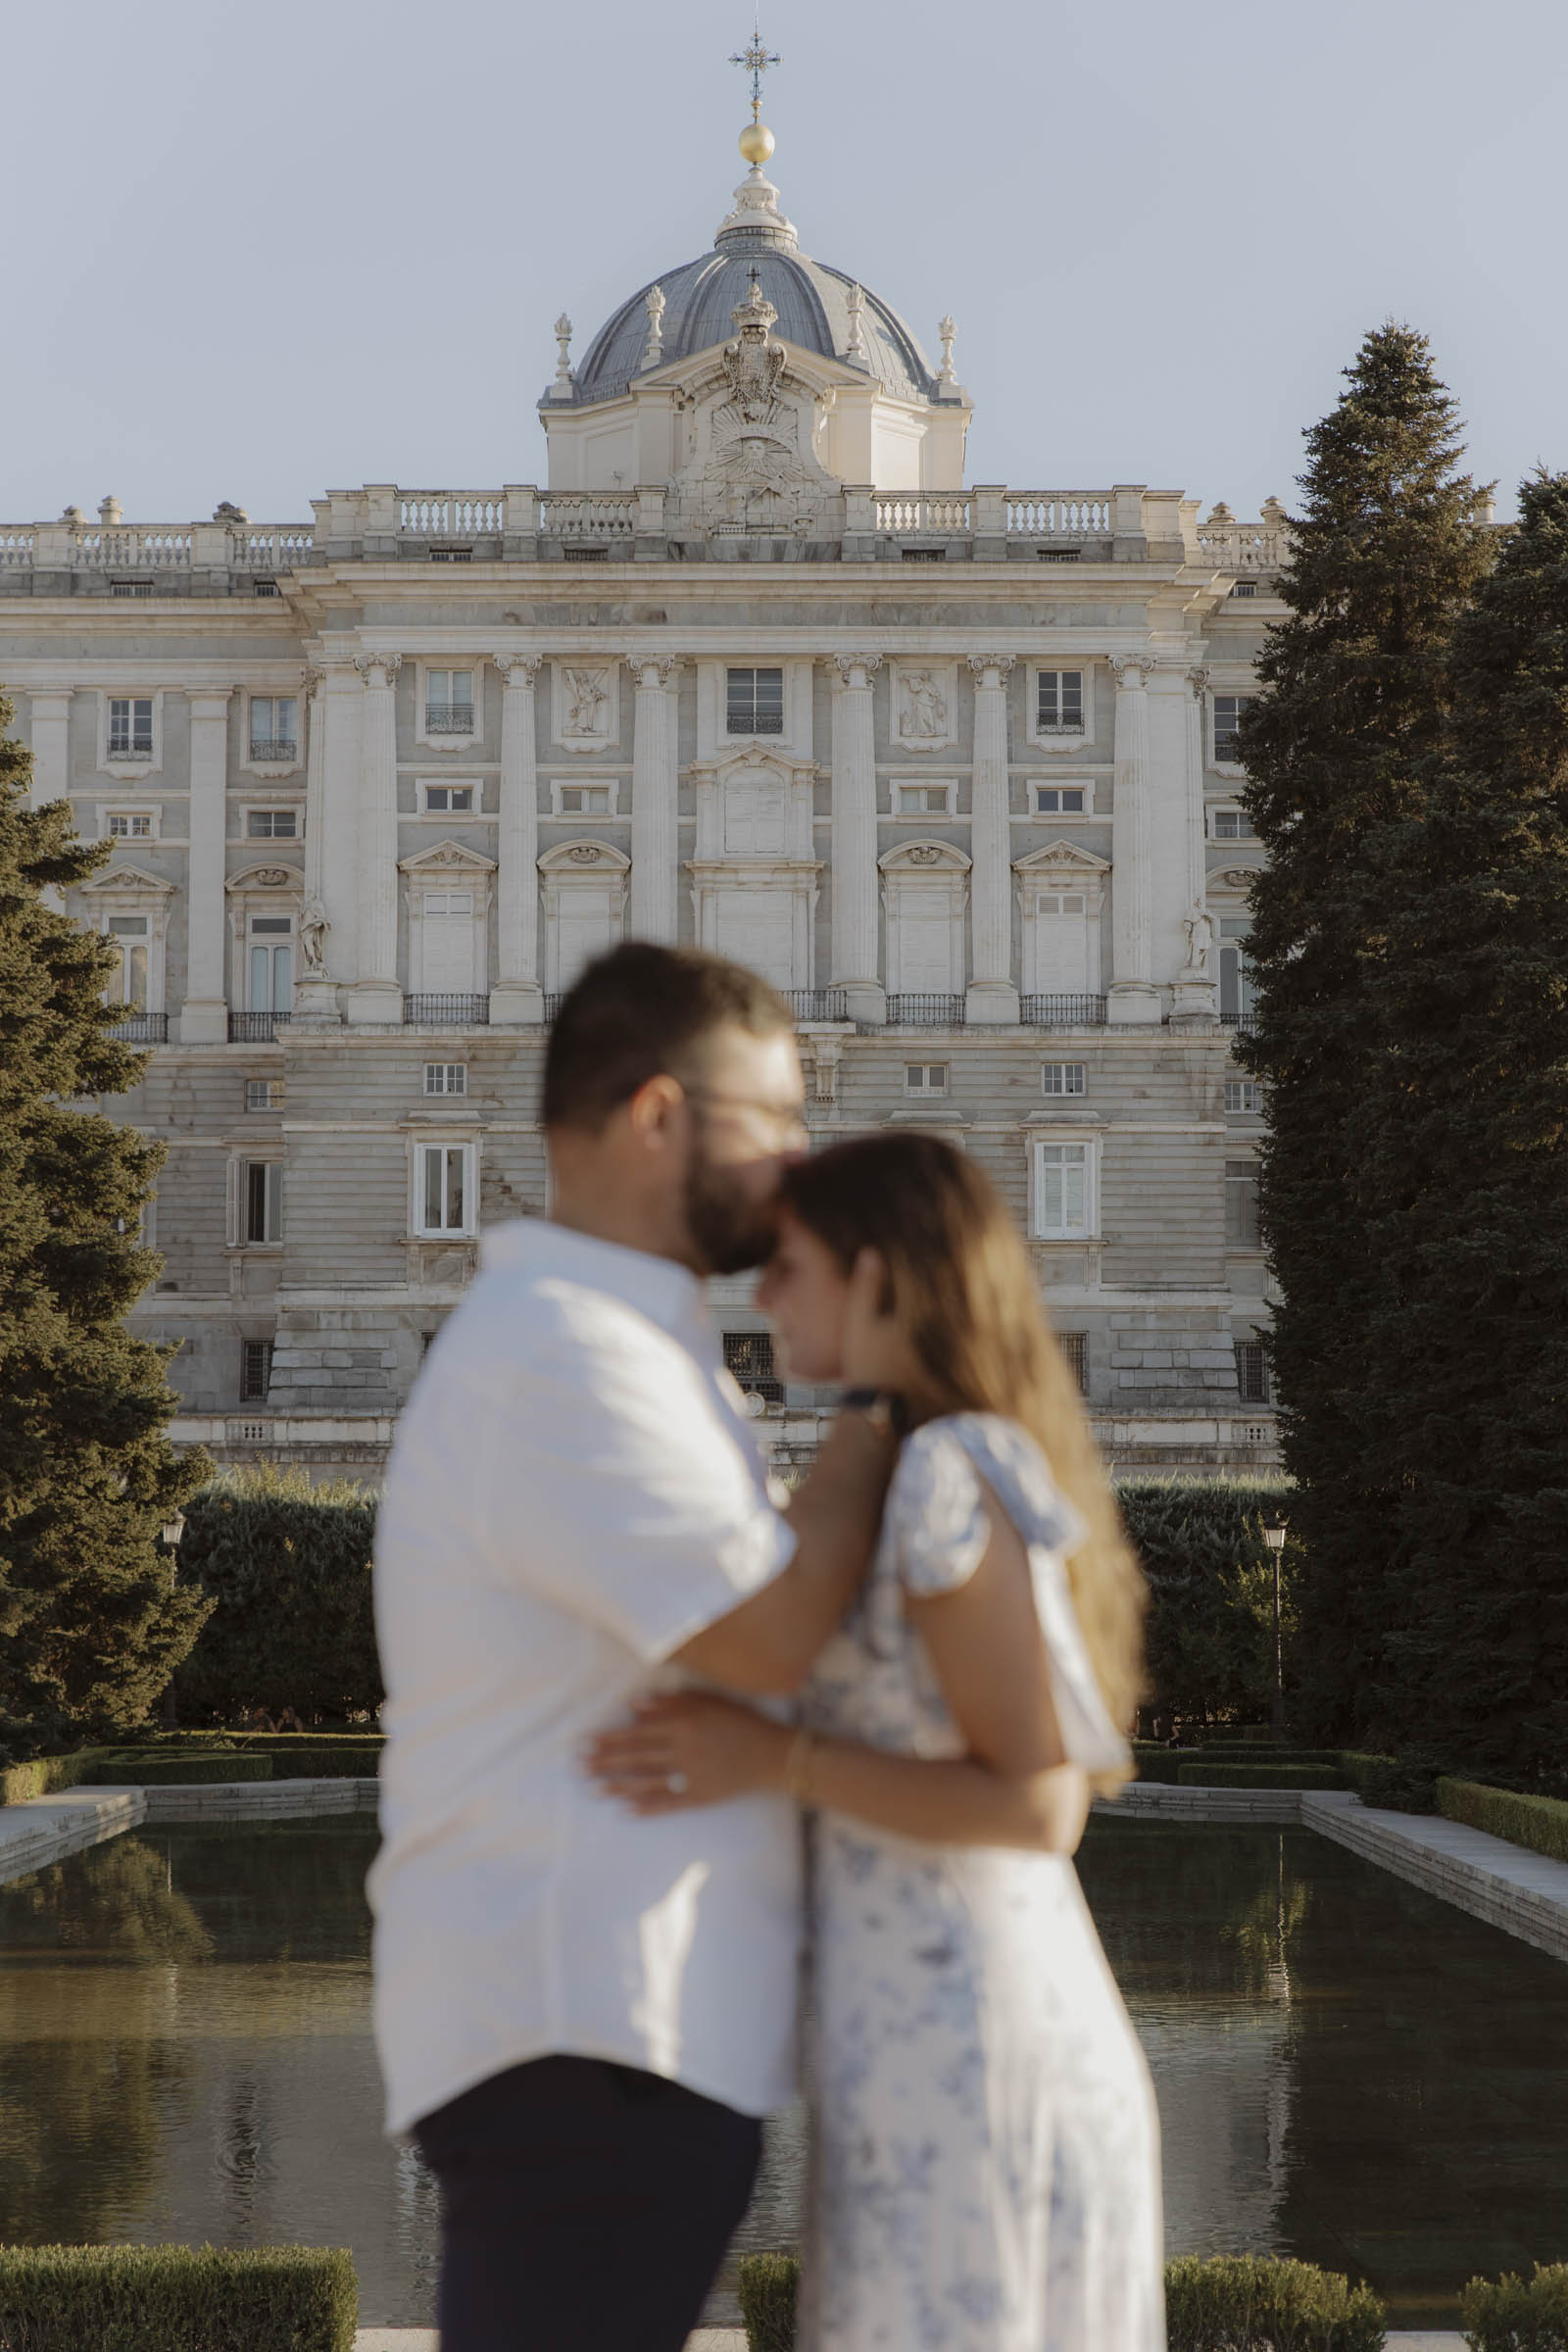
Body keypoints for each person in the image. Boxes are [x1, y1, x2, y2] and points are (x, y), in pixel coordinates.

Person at [369, 946, 897, 2352]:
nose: (797, 1163)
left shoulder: (615, 1343)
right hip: (584, 2033)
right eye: (774, 1121)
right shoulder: (569, 1356)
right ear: (662, 1115)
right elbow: (775, 1636)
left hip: (610, 2027)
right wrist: (894, 1388)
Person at [588, 1133, 1164, 2352]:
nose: (764, 1294)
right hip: (907, 2055)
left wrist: (773, 1762)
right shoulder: (914, 1457)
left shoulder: (953, 1472)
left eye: (789, 1264)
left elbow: (1037, 1807)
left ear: (877, 1275)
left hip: (974, 2050)